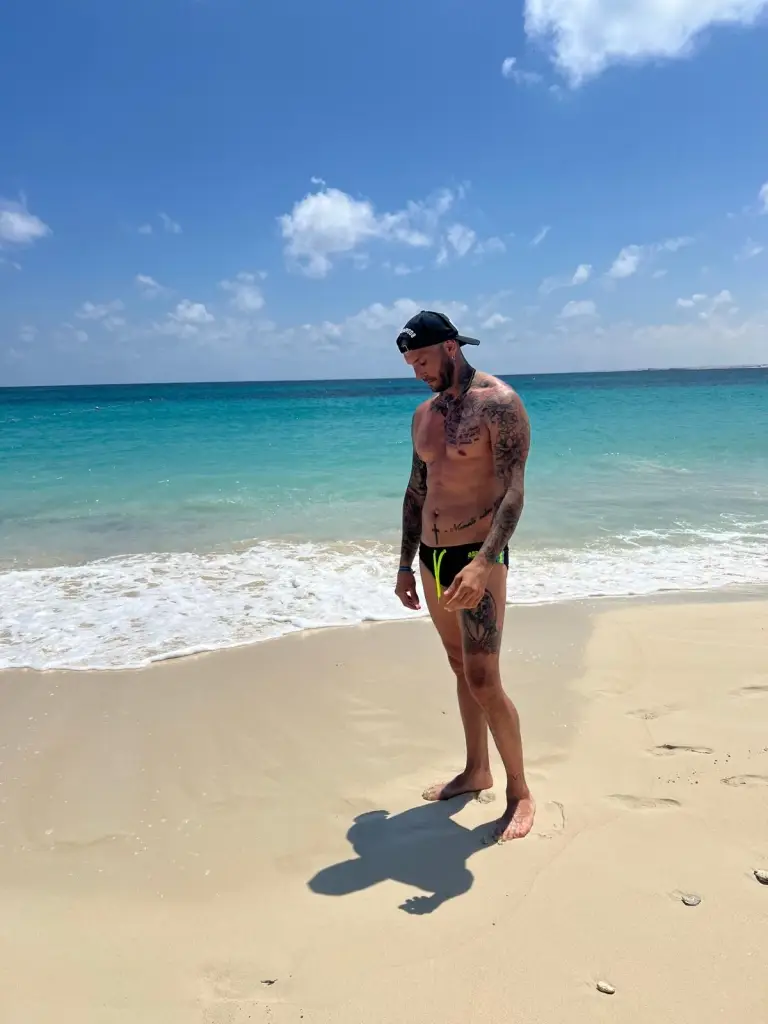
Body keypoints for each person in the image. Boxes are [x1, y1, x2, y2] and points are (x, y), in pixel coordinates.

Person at [393, 310, 535, 841]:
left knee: (483, 679)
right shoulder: (423, 414)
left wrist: (484, 562)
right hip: (431, 558)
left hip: (477, 555)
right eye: (411, 364)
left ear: (450, 348)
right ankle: (477, 771)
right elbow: (416, 491)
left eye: (422, 360)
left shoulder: (499, 403)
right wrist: (404, 564)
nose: (418, 372)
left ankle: (520, 791)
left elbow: (514, 491)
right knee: (458, 667)